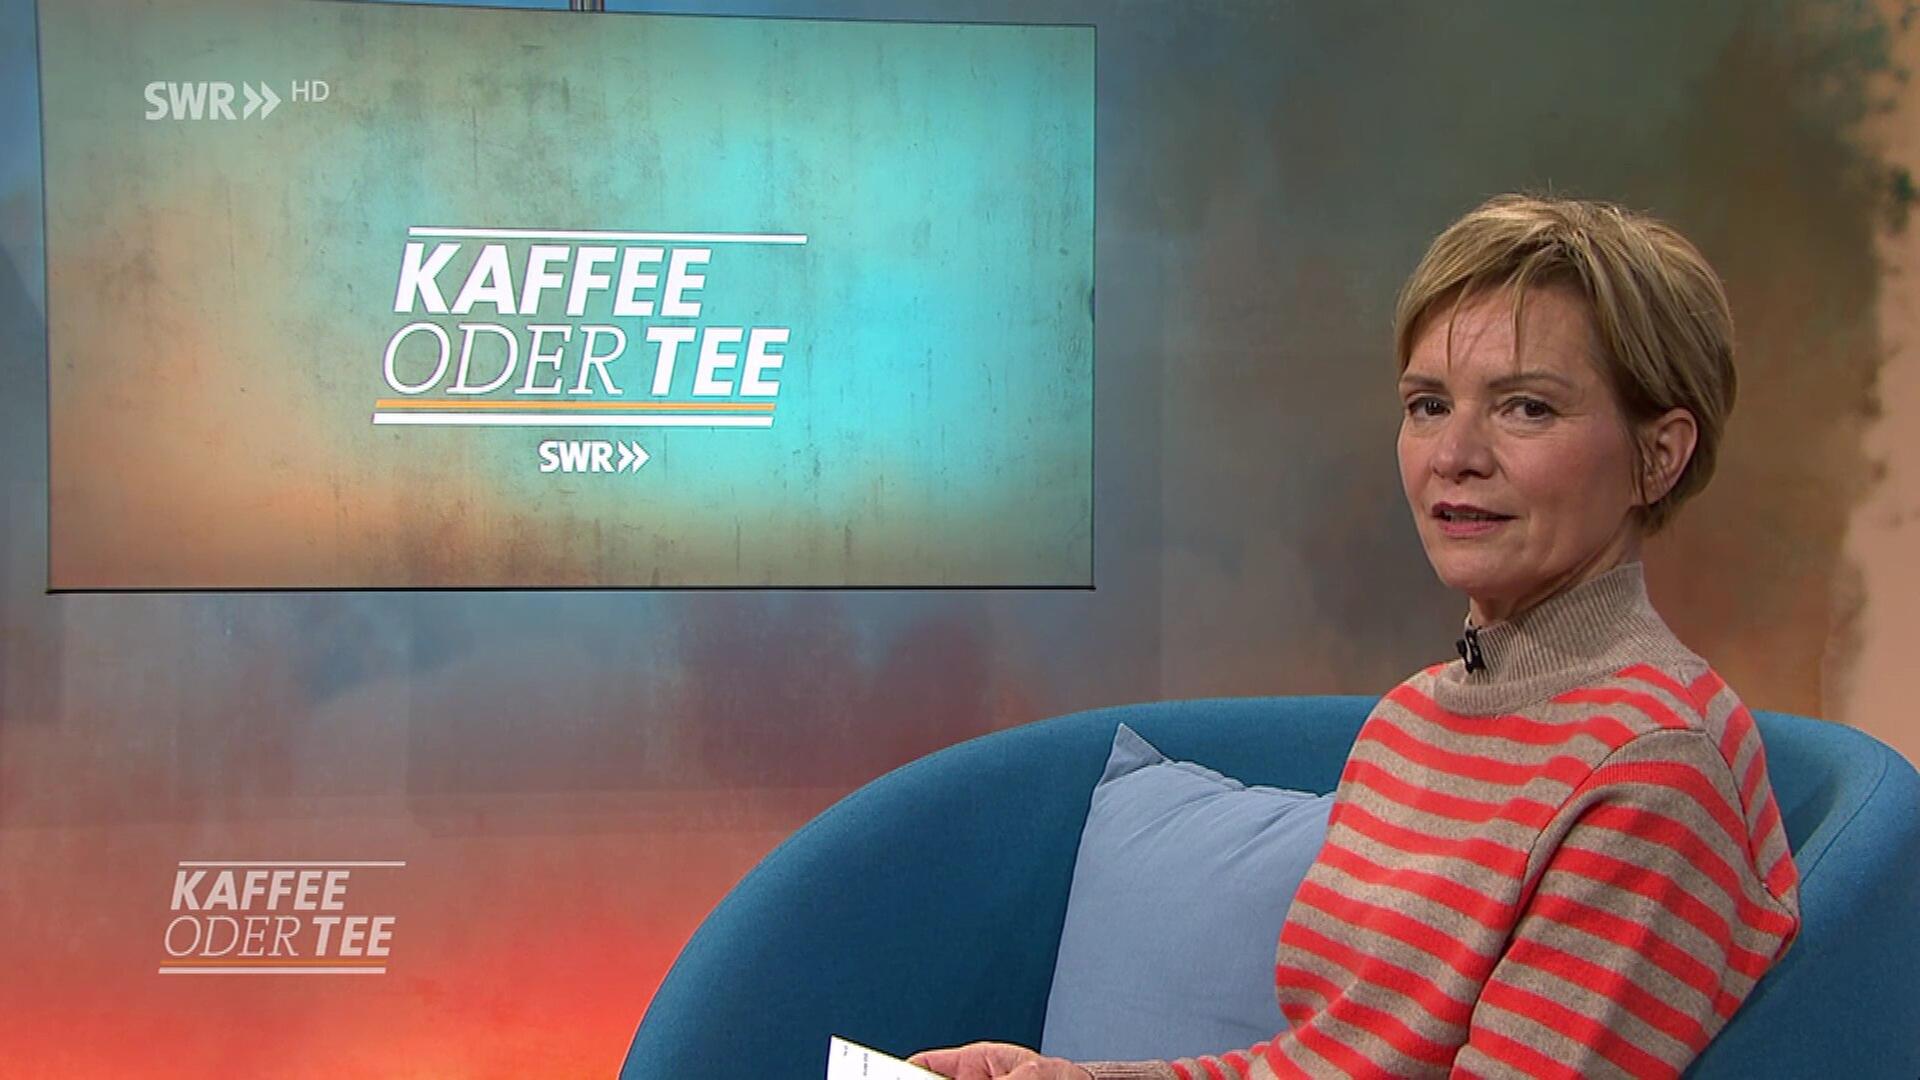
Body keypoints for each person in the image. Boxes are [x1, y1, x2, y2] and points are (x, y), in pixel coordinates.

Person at [909, 194, 1801, 1079]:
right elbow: (1322, 1065)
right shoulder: (1409, 721)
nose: (1454, 455)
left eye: (1526, 407)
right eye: (1428, 405)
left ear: (1659, 455)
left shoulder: (1656, 766)